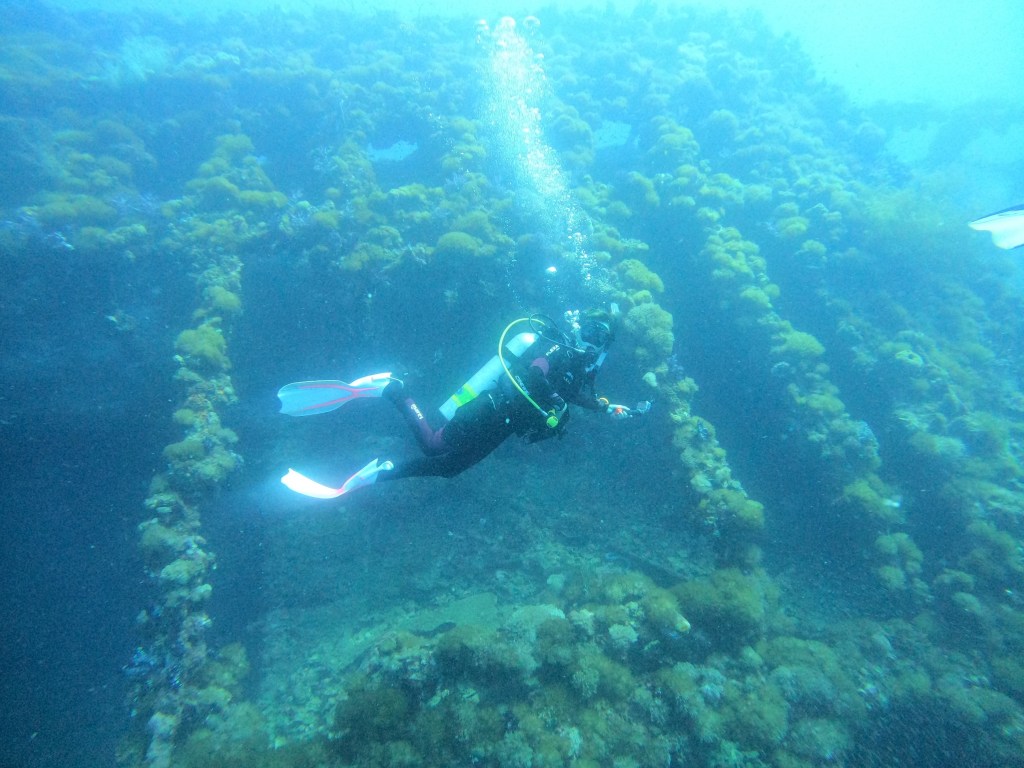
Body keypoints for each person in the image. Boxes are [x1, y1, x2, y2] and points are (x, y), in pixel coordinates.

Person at [278, 308, 648, 499]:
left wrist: (603, 407)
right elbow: (536, 374)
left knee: (448, 468)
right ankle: (394, 390)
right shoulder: (558, 347)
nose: (590, 340)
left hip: (505, 424)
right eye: (590, 330)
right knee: (434, 445)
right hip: (494, 407)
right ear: (580, 327)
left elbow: (569, 394)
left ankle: (380, 472)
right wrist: (557, 405)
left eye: (599, 338)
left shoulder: (580, 368)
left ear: (604, 348)